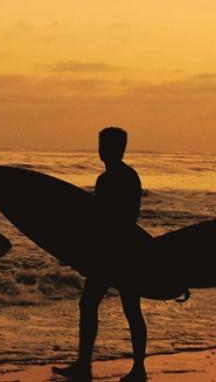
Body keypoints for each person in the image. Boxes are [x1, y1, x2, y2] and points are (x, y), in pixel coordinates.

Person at [53, 127, 147, 381]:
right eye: (100, 143)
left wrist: (91, 255)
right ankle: (133, 368)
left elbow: (107, 222)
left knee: (108, 306)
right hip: (125, 251)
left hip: (115, 253)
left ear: (116, 148)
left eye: (104, 144)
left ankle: (89, 366)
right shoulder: (126, 176)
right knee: (127, 309)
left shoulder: (113, 178)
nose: (101, 149)